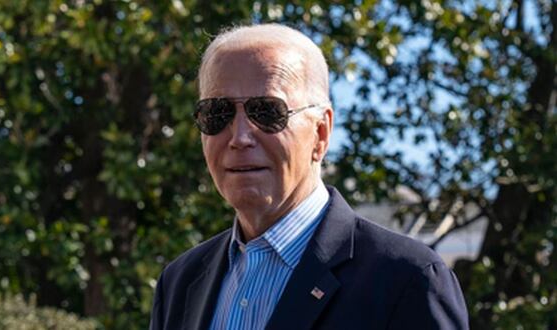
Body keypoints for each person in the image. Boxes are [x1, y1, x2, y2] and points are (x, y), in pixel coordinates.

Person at [149, 23, 469, 330]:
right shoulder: (180, 282)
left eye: (267, 112)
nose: (239, 136)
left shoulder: (407, 280)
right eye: (217, 113)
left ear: (321, 133)